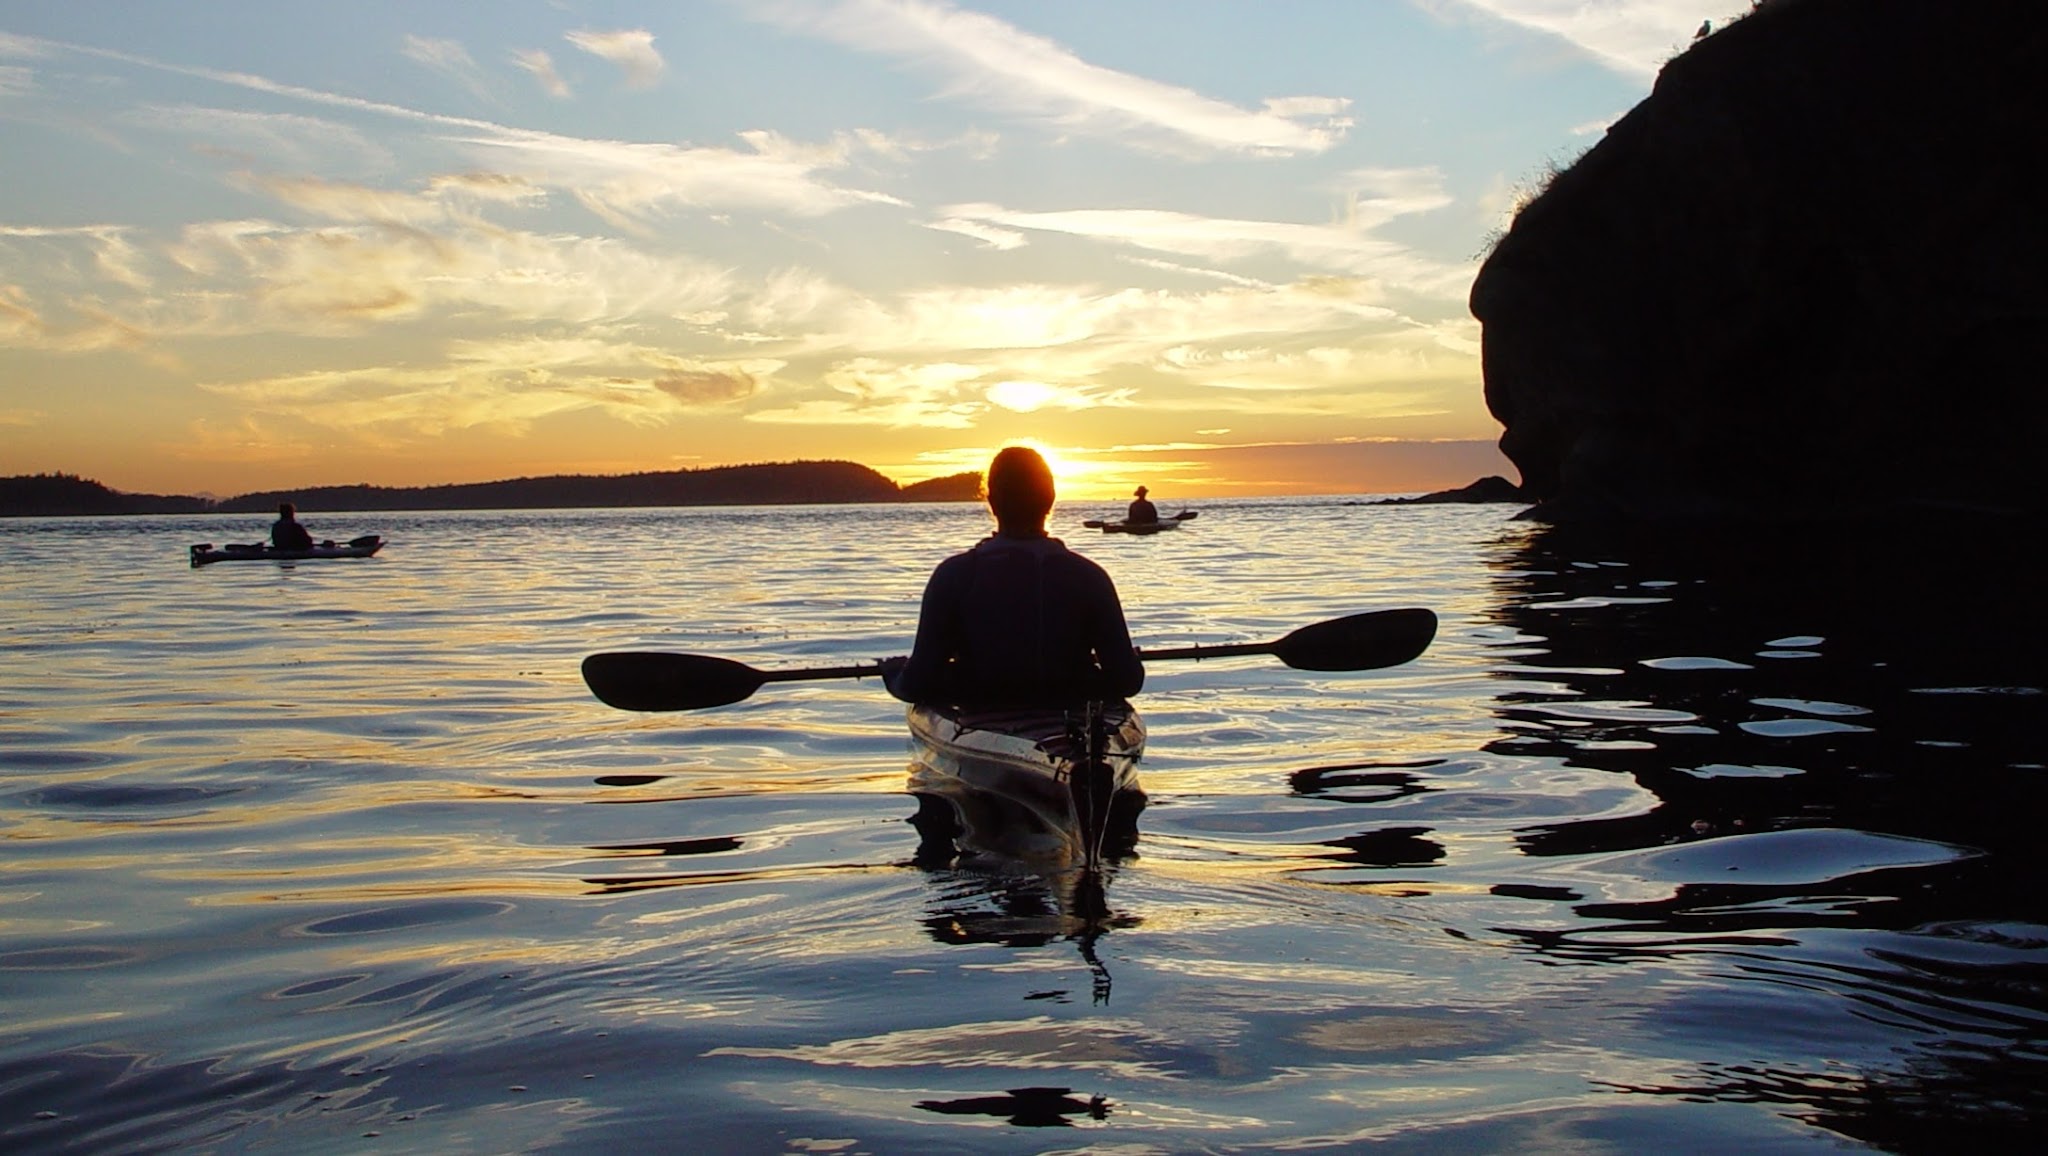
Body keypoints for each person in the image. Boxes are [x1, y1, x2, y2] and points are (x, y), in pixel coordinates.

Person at [886, 446, 1143, 709]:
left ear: (991, 500)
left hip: (982, 708)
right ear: (1051, 498)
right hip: (1069, 708)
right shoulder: (1090, 577)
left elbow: (915, 684)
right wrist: (1132, 660)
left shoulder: (953, 575)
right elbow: (1128, 681)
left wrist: (893, 674)